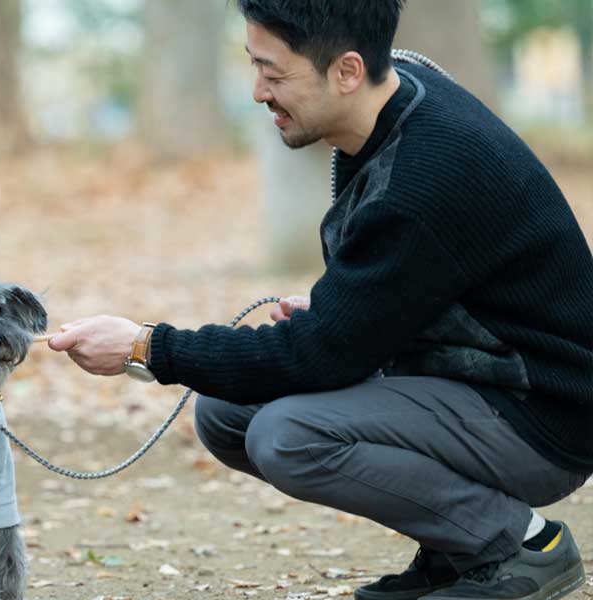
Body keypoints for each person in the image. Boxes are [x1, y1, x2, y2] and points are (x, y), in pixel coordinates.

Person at [48, 1, 593, 599]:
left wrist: (144, 346)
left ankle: (523, 546)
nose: (258, 92)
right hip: (481, 376)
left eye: (275, 74)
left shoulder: (420, 178)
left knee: (289, 434)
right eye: (254, 66)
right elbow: (432, 280)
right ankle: (458, 549)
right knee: (225, 413)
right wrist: (354, 310)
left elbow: (318, 358)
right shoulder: (401, 95)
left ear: (348, 71)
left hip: (545, 415)